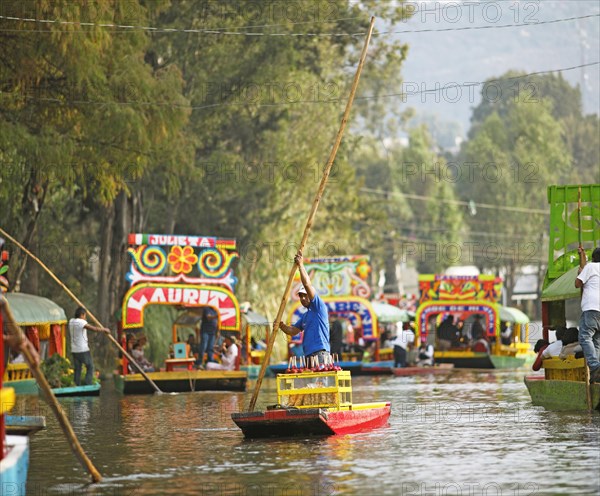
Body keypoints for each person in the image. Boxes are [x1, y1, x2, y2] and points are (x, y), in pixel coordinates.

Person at [278, 250, 331, 365]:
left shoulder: (319, 307)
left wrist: (301, 265)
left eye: (305, 296)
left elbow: (307, 284)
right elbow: (292, 331)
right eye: (300, 297)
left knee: (321, 382)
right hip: (308, 356)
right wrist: (281, 326)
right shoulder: (305, 316)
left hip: (320, 354)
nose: (302, 299)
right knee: (312, 383)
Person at [575, 246, 600, 382]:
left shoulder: (591, 267)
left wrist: (580, 273)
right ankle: (596, 375)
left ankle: (595, 367)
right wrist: (582, 255)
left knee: (584, 337)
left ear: (594, 258)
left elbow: (577, 284)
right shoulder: (590, 267)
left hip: (592, 307)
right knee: (596, 340)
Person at [68, 307, 109, 386]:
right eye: (85, 315)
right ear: (82, 315)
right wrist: (104, 330)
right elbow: (93, 329)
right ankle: (88, 384)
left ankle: (77, 384)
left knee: (78, 369)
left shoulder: (71, 321)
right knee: (90, 366)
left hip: (74, 350)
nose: (85, 317)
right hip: (83, 350)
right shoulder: (81, 322)